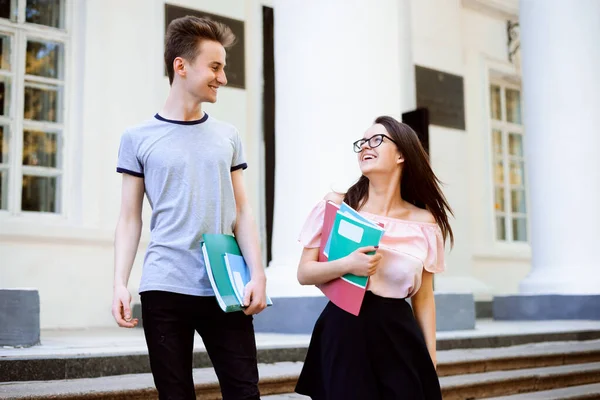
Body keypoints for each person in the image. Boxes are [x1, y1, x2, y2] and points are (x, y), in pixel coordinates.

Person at [111, 16, 267, 400]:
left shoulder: (227, 136)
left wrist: (258, 274)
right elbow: (130, 218)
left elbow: (242, 212)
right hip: (164, 285)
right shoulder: (137, 138)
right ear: (181, 66)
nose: (223, 78)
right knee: (175, 393)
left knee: (244, 390)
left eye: (223, 68)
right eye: (215, 66)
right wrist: (120, 280)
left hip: (225, 287)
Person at [295, 116, 453, 400]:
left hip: (398, 333)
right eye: (362, 142)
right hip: (344, 328)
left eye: (376, 140)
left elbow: (424, 299)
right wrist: (348, 265)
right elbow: (304, 273)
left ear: (402, 154)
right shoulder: (339, 206)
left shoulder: (424, 223)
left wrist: (430, 357)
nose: (365, 146)